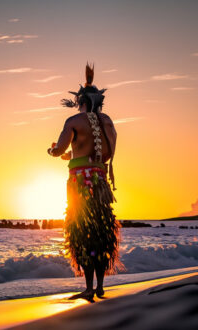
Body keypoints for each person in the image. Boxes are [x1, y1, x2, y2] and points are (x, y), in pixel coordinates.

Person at [47, 63, 122, 300]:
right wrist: (78, 155)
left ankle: (89, 288)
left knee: (82, 232)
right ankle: (99, 286)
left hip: (80, 183)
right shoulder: (107, 122)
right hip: (100, 182)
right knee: (101, 232)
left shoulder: (74, 121)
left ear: (82, 101)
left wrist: (52, 151)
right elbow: (105, 154)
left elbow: (60, 149)